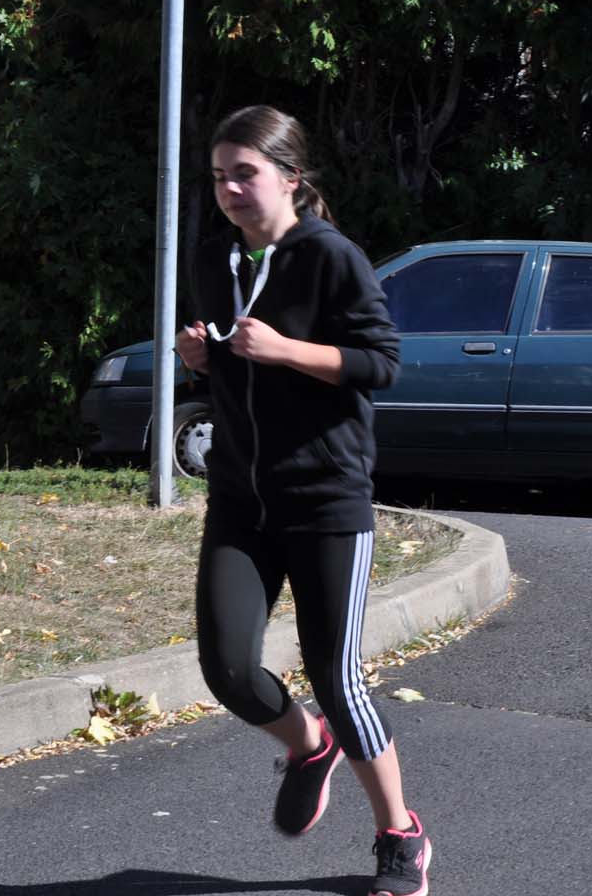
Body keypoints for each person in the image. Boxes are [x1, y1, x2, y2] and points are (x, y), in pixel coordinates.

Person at [174, 105, 431, 896]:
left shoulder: (329, 256)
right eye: (219, 176)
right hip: (241, 500)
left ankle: (400, 834)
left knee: (336, 677)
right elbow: (236, 368)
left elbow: (381, 363)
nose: (229, 189)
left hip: (325, 500)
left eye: (244, 174)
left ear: (289, 177)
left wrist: (288, 350)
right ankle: (308, 745)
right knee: (227, 669)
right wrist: (200, 359)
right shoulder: (215, 259)